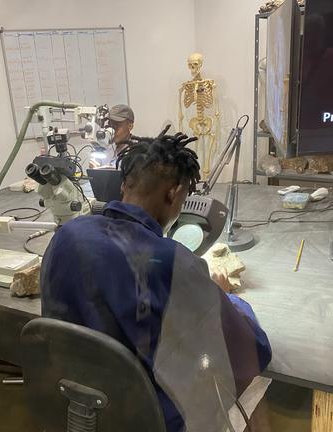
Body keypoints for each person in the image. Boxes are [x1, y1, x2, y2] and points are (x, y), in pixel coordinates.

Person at [41, 127, 272, 432]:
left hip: (73, 402)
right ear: (174, 194)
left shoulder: (66, 235)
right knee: (255, 386)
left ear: (124, 184)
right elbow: (250, 350)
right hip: (144, 416)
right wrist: (227, 299)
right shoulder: (171, 260)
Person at [89, 104, 135, 168]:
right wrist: (94, 170)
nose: (112, 130)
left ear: (130, 126)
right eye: (109, 125)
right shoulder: (105, 147)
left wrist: (108, 171)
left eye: (116, 125)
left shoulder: (138, 151)